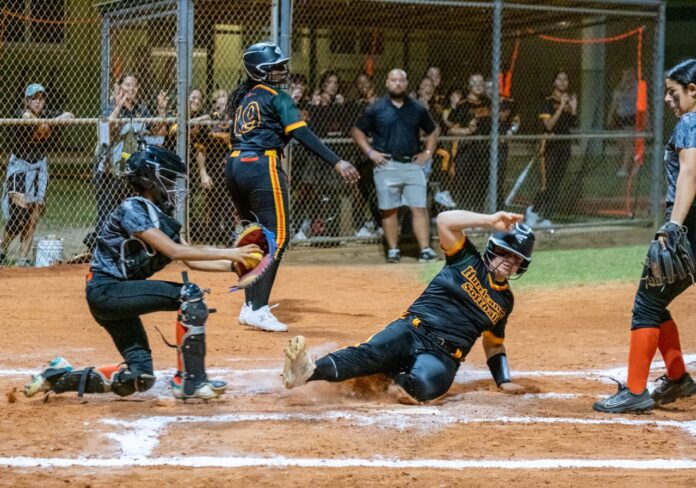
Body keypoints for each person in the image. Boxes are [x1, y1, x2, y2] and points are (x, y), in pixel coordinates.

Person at [23, 145, 261, 401]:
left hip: (117, 296)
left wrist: (236, 266)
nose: (173, 187)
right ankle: (191, 382)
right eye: (168, 179)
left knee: (140, 378)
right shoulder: (133, 209)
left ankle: (59, 377)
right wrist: (230, 253)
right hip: (107, 291)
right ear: (150, 179)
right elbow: (176, 251)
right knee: (189, 295)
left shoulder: (158, 215)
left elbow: (189, 258)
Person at [282, 211, 535, 404]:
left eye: (516, 259)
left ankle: (386, 376)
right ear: (492, 248)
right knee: (369, 353)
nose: (508, 262)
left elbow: (494, 344)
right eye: (505, 252)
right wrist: (490, 219)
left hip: (443, 356)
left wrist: (504, 381)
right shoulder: (466, 258)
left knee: (420, 387)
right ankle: (306, 371)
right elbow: (445, 220)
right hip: (411, 330)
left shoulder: (504, 301)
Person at [226, 42, 359, 332]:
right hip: (261, 166)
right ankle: (258, 308)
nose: (281, 70)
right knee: (277, 238)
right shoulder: (277, 96)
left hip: (235, 166)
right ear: (260, 71)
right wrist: (336, 162)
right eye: (274, 67)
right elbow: (300, 133)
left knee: (254, 238)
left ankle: (250, 305)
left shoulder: (245, 96)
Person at [593, 59, 696, 414]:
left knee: (646, 304)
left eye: (673, 93)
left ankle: (636, 391)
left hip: (688, 228)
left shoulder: (691, 123)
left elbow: (689, 174)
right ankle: (678, 377)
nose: (668, 100)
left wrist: (675, 225)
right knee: (656, 300)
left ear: (693, 91)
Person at [352, 68, 439, 264]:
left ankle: (425, 250)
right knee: (389, 209)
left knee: (419, 208)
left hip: (412, 165)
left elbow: (433, 131)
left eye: (401, 80)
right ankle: (393, 250)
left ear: (407, 84)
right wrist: (370, 152)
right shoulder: (376, 108)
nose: (398, 83)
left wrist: (427, 153)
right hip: (386, 165)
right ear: (387, 83)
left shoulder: (416, 108)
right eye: (394, 80)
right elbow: (358, 131)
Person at [1, 83, 73, 266]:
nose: (38, 102)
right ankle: (2, 247)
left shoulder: (46, 114)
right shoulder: (20, 114)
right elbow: (40, 127)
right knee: (19, 214)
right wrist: (56, 121)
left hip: (38, 168)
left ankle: (23, 258)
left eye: (41, 98)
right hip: (20, 168)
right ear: (26, 100)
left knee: (33, 214)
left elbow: (69, 115)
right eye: (34, 98)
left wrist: (59, 117)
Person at [87, 74, 153, 251]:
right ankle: (102, 250)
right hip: (109, 170)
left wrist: (162, 111)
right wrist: (118, 105)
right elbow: (105, 134)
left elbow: (155, 135)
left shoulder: (142, 110)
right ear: (120, 87)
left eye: (134, 85)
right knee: (106, 213)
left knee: (131, 212)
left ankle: (127, 249)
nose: (131, 89)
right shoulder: (111, 108)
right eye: (127, 85)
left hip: (131, 171)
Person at [525, 70, 577, 228]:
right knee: (546, 184)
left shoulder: (568, 103)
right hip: (548, 146)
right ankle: (533, 212)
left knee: (556, 183)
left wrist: (573, 109)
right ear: (554, 82)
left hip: (563, 145)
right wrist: (561, 106)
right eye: (559, 79)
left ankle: (546, 217)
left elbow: (570, 125)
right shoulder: (547, 101)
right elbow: (548, 125)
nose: (563, 82)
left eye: (565, 79)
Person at [448, 73, 492, 213]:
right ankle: (464, 218)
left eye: (480, 81)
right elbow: (451, 130)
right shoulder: (463, 104)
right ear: (469, 86)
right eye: (474, 82)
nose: (478, 85)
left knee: (481, 185)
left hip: (484, 149)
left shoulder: (488, 103)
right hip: (467, 149)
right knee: (466, 186)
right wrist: (468, 130)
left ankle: (478, 218)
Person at [606, 68, 638, 178]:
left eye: (629, 74)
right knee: (620, 143)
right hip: (620, 117)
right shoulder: (619, 88)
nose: (627, 77)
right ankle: (631, 162)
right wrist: (609, 118)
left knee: (628, 143)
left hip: (632, 117)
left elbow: (643, 105)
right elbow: (614, 104)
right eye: (625, 75)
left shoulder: (637, 87)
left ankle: (624, 169)